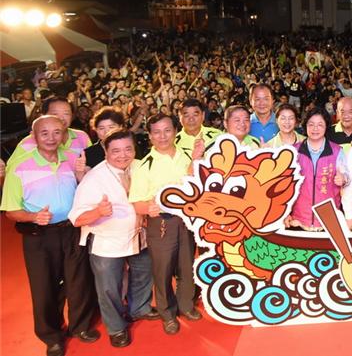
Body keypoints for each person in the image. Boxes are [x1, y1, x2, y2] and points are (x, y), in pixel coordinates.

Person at [1, 115, 97, 356]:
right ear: (34, 136)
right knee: (44, 286)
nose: (52, 138)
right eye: (45, 133)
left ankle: (80, 327)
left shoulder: (71, 159)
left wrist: (79, 176)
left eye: (57, 132)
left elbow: (83, 189)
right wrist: (33, 217)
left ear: (64, 135)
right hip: (39, 236)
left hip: (72, 229)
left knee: (78, 281)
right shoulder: (19, 166)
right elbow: (11, 210)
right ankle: (52, 336)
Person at [68, 130, 158, 348]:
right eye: (115, 151)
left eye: (128, 149)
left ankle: (140, 308)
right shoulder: (94, 178)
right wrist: (98, 212)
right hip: (107, 241)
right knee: (109, 288)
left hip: (138, 235)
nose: (123, 155)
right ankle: (116, 327)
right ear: (105, 151)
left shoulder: (140, 166)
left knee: (144, 273)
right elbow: (77, 219)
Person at [129, 114, 203, 334]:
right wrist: (148, 208)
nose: (163, 136)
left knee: (187, 265)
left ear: (175, 130)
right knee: (162, 272)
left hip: (186, 221)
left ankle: (186, 305)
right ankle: (167, 313)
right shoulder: (145, 165)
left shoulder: (186, 156)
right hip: (160, 225)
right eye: (157, 132)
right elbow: (136, 203)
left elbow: (195, 183)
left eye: (167, 130)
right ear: (150, 136)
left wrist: (196, 160)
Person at [285, 108, 347, 231]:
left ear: (326, 127)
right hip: (298, 220)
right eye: (311, 124)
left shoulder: (337, 151)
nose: (315, 129)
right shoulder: (293, 151)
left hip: (328, 220)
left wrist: (344, 179)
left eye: (320, 125)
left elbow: (347, 179)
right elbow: (285, 186)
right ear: (305, 126)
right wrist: (285, 212)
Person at [7, 96, 91, 166]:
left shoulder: (82, 137)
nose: (61, 118)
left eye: (66, 114)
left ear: (72, 116)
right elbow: (12, 170)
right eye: (55, 114)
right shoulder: (27, 143)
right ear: (43, 115)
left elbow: (92, 164)